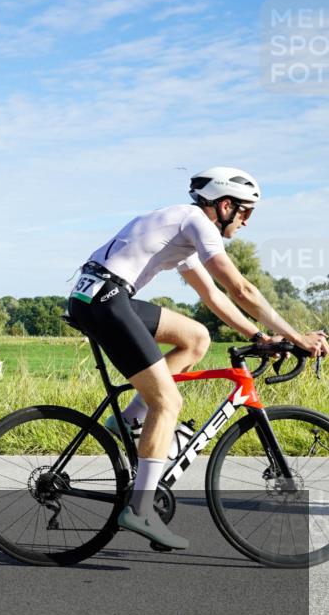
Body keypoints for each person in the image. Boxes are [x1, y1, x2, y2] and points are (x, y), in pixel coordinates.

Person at [66, 167, 329, 550]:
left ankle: (129, 419)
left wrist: (259, 336)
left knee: (196, 337)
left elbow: (214, 297)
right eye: (245, 212)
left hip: (102, 296)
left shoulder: (181, 229)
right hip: (106, 300)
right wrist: (296, 337)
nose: (246, 222)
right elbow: (240, 287)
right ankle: (139, 509)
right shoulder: (195, 222)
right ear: (224, 205)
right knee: (169, 401)